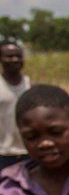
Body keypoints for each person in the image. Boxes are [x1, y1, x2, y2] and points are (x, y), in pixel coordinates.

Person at [0, 41, 31, 171]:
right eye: (10, 56)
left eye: (18, 56)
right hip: (3, 153)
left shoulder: (30, 86)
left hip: (28, 153)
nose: (15, 59)